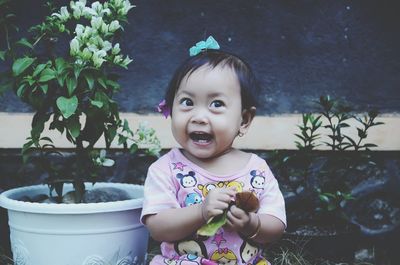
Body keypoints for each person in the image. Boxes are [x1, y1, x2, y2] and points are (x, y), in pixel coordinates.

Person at [141, 36, 286, 265]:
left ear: (244, 119)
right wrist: (201, 211)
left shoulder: (257, 170)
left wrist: (251, 223)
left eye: (216, 104)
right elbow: (158, 228)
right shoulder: (165, 169)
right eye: (187, 102)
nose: (199, 117)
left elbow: (276, 226)